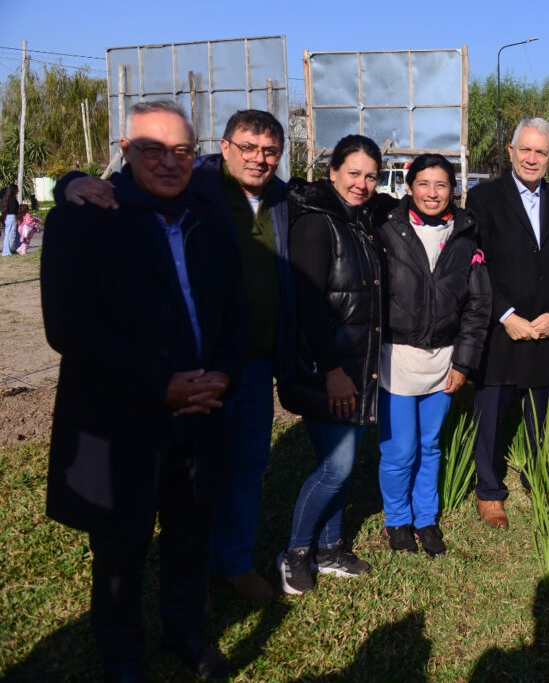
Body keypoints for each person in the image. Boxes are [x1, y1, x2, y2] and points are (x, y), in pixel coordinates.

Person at [41, 100, 245, 680]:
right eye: (151, 149)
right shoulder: (84, 217)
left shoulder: (206, 210)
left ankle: (186, 635)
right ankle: (121, 656)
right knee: (120, 551)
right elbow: (70, 329)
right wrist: (161, 387)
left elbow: (233, 307)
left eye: (181, 150)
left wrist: (223, 376)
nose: (168, 161)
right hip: (120, 418)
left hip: (201, 411)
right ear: (125, 153)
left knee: (188, 537)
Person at [59, 109, 298, 604]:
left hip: (248, 366)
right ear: (223, 147)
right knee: (185, 480)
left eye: (270, 150)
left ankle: (231, 563)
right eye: (248, 148)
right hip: (184, 367)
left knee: (246, 468)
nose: (259, 159)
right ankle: (189, 568)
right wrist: (71, 182)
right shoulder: (199, 187)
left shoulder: (286, 197)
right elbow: (133, 182)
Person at [276, 134, 386, 595]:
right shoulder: (317, 224)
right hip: (330, 369)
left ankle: (329, 547)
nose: (361, 183)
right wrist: (332, 371)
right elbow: (309, 302)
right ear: (332, 173)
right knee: (337, 466)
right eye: (353, 173)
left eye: (371, 176)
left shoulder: (358, 220)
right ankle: (296, 552)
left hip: (356, 366)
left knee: (339, 460)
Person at [465, 118, 549, 530]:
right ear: (511, 152)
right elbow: (475, 265)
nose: (532, 158)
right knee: (492, 412)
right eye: (525, 150)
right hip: (500, 329)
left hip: (545, 328)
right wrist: (506, 314)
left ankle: (539, 477)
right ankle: (490, 491)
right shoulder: (483, 199)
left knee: (539, 411)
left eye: (541, 152)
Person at [375, 154, 491, 556]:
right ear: (410, 187)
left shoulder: (464, 235)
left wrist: (463, 362)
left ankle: (425, 519)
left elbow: (478, 306)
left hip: (444, 361)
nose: (432, 193)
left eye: (441, 185)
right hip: (397, 358)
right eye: (423, 184)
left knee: (430, 446)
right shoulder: (387, 229)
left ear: (453, 190)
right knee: (399, 450)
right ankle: (397, 521)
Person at [1, 182, 18, 256]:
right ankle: (6, 251)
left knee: (10, 234)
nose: (18, 191)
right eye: (17, 189)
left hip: (9, 217)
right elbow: (13, 209)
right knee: (9, 234)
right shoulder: (11, 199)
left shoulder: (8, 198)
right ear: (14, 190)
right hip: (11, 217)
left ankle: (9, 250)